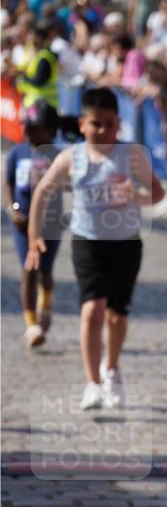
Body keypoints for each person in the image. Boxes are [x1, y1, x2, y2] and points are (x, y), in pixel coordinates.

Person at [25, 87, 164, 409]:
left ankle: (112, 370)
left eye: (110, 124)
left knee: (116, 316)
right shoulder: (70, 158)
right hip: (88, 242)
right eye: (96, 124)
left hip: (126, 244)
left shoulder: (131, 155)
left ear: (119, 123)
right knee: (92, 309)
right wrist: (34, 235)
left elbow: (157, 192)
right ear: (82, 124)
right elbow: (43, 192)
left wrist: (136, 197)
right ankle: (92, 383)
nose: (103, 131)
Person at [4, 101, 62, 347]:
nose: (28, 131)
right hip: (23, 225)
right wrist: (12, 208)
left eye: (35, 127)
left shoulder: (57, 156)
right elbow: (7, 183)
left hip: (49, 225)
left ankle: (46, 299)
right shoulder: (17, 153)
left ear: (49, 130)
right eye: (26, 126)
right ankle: (31, 325)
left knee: (45, 273)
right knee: (28, 270)